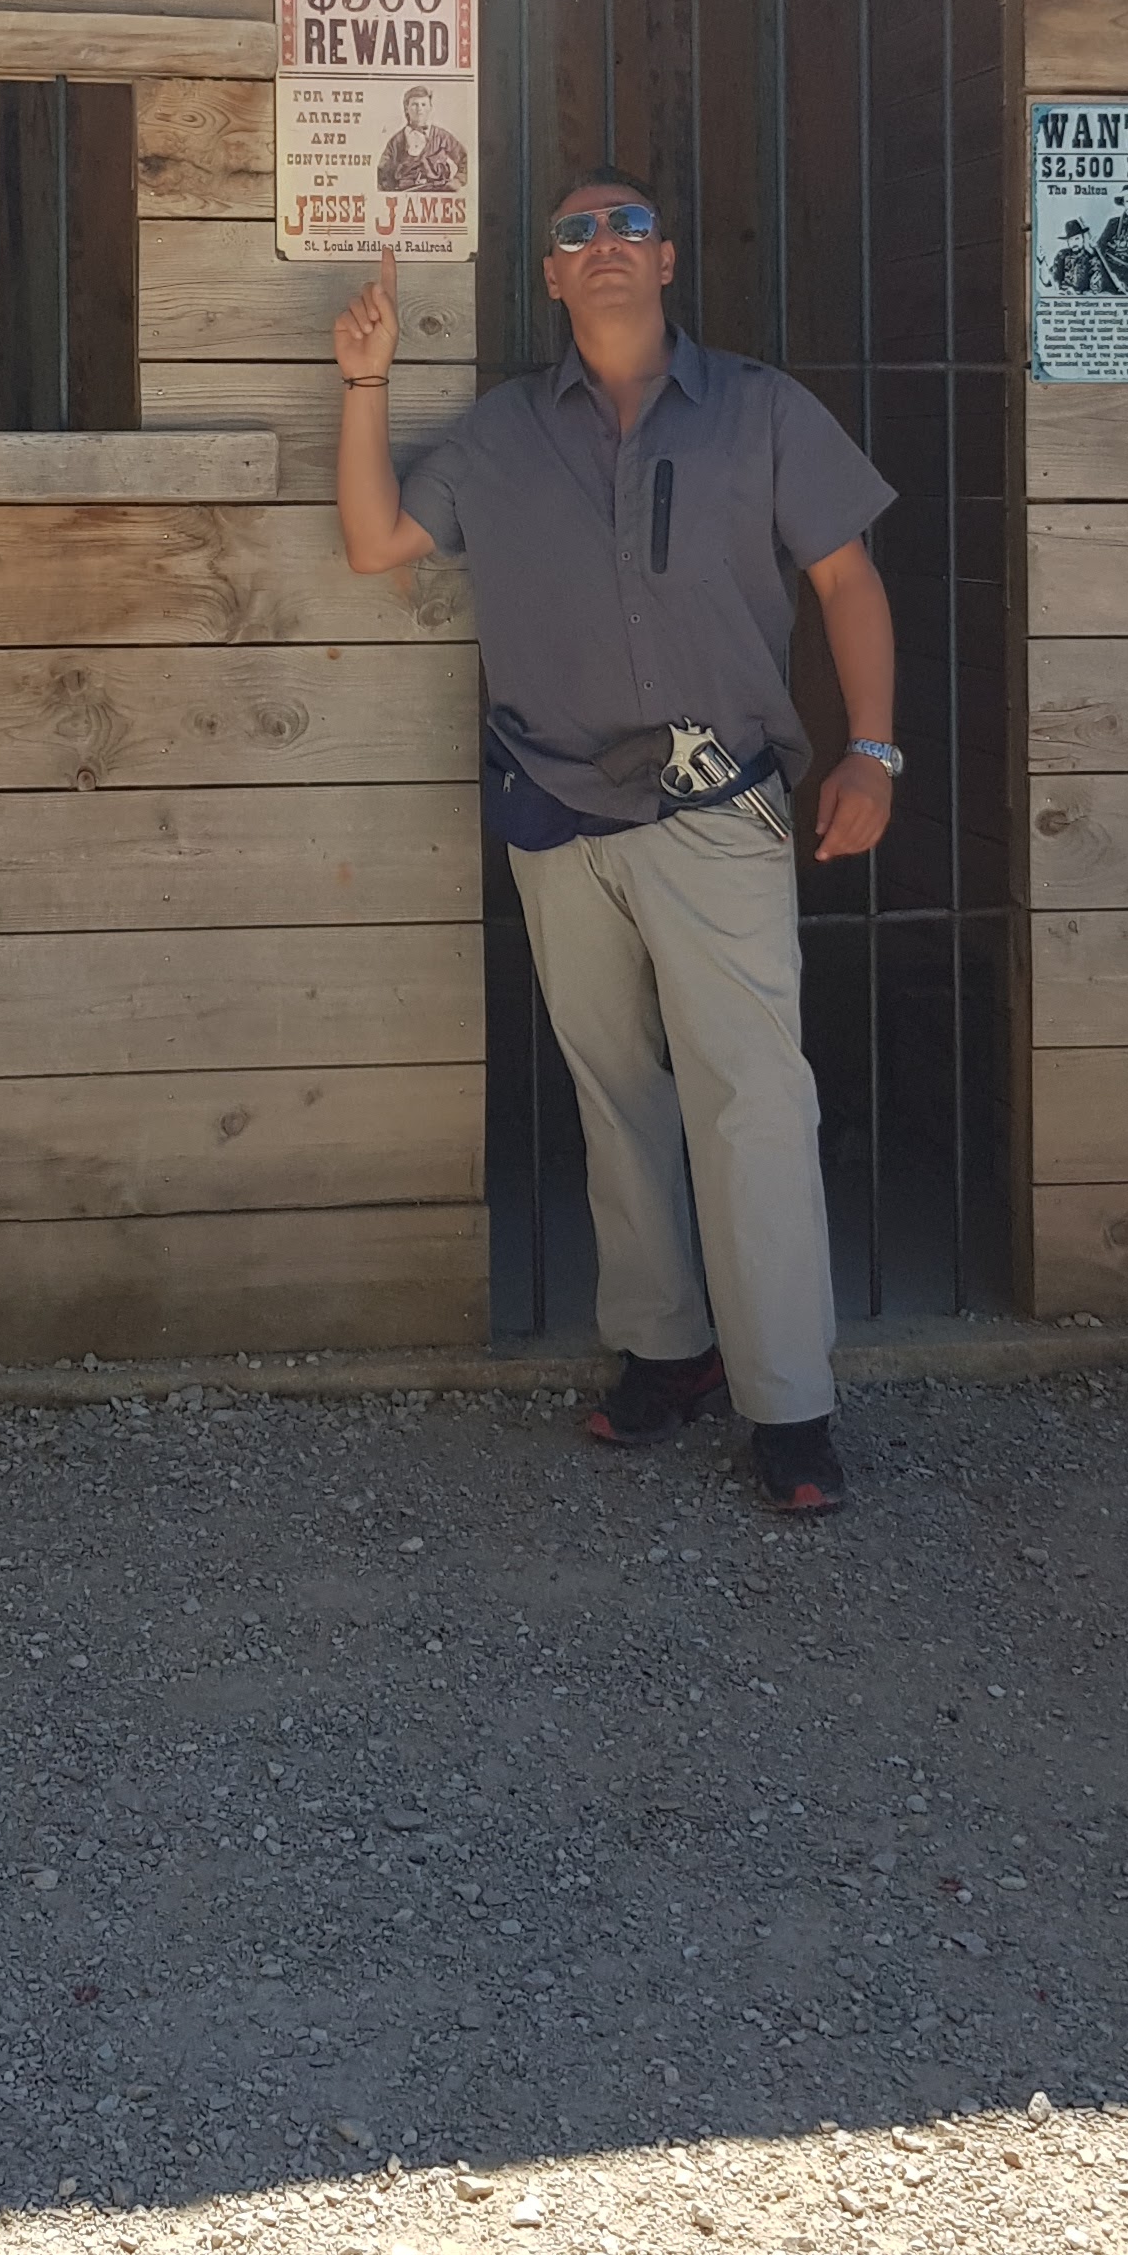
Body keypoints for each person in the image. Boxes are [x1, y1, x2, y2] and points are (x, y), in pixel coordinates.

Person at [333, 174, 899, 1517]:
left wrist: (873, 752)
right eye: (575, 232)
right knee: (615, 1092)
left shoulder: (759, 408)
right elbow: (373, 542)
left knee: (753, 1099)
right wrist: (365, 383)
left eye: (628, 225)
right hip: (557, 807)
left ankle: (789, 1404)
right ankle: (665, 1347)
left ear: (668, 258)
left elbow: (847, 579)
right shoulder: (503, 431)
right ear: (549, 276)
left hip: (716, 802)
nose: (603, 245)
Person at [376, 84, 469, 195]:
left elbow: (464, 158)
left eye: (423, 105)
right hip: (406, 194)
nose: (419, 109)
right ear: (406, 108)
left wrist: (458, 180)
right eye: (414, 104)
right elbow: (382, 172)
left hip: (438, 194)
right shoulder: (396, 141)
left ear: (430, 108)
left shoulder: (442, 137)